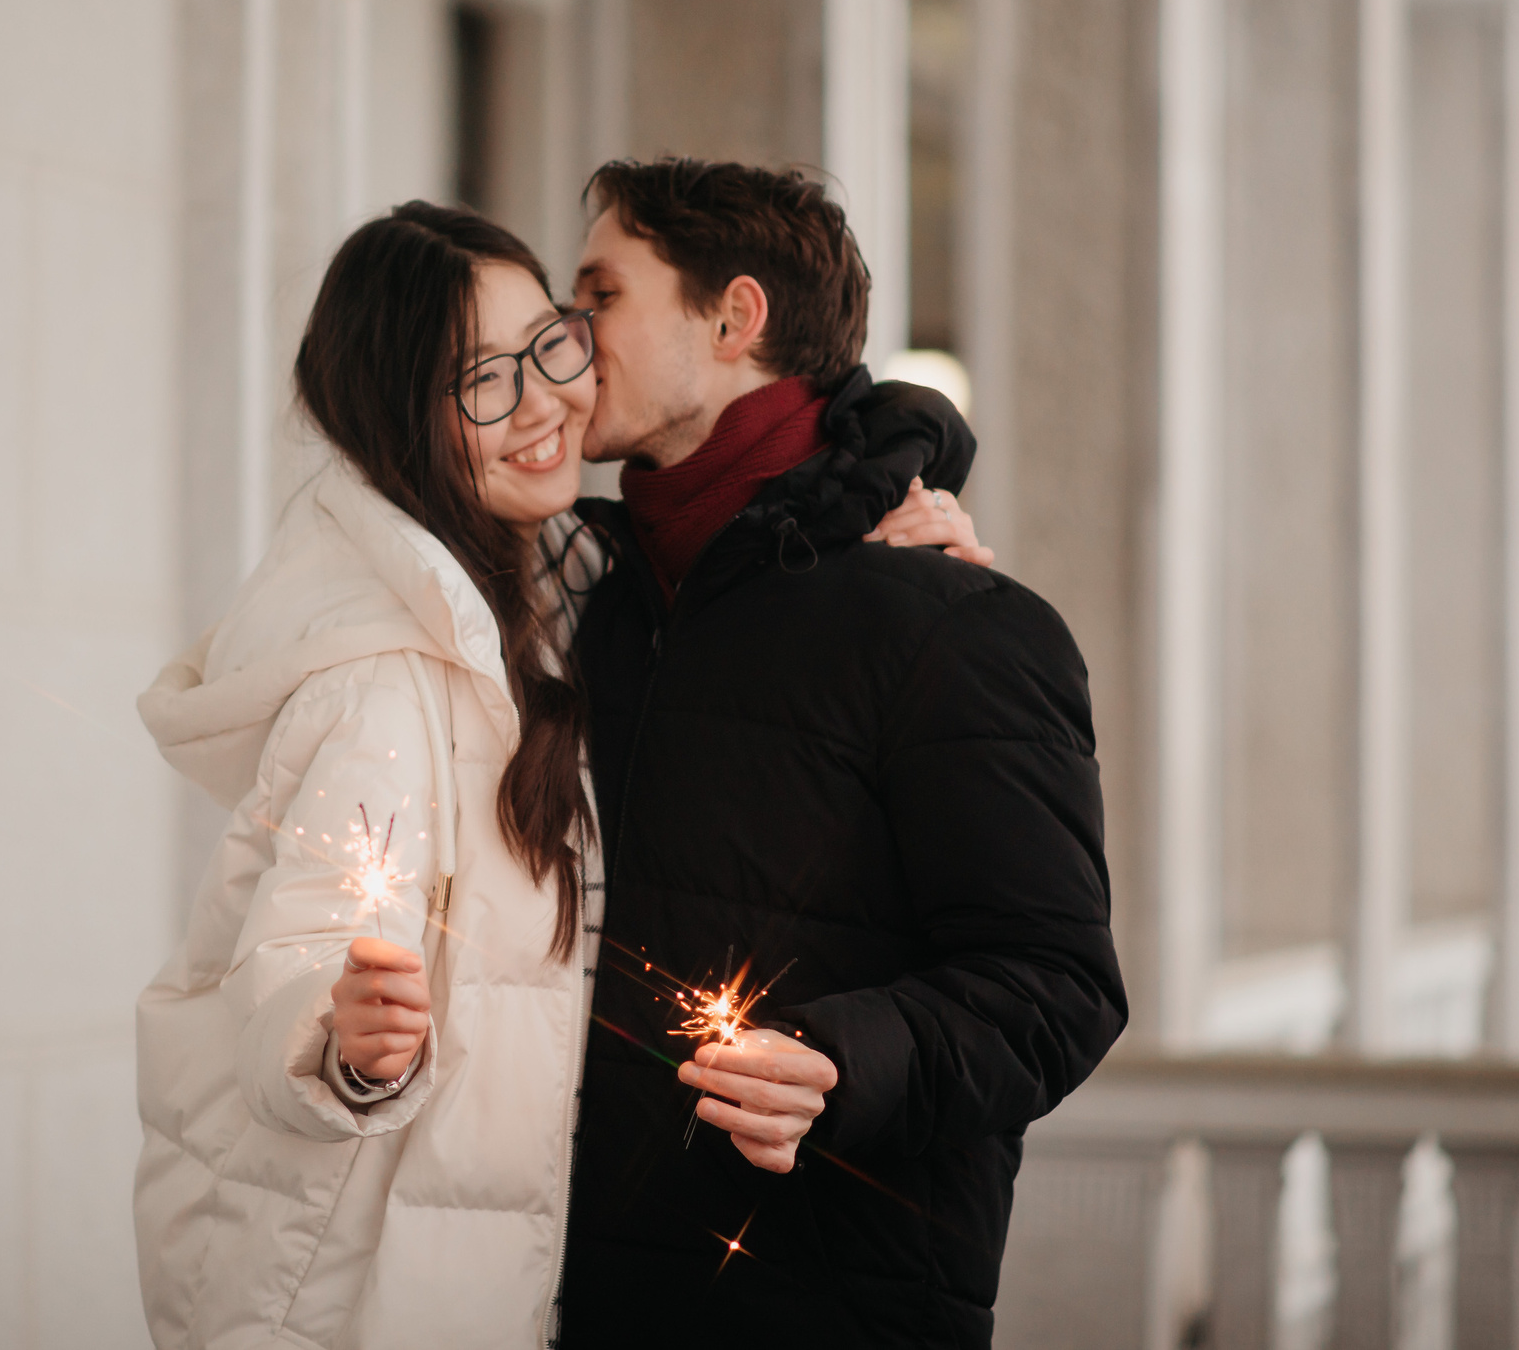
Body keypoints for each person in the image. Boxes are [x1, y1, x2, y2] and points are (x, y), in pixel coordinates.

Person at [133, 203, 983, 1349]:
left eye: (551, 342)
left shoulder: (552, 586)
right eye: (481, 380)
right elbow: (303, 954)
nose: (544, 403)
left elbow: (717, 556)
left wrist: (888, 545)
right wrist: (341, 1039)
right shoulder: (380, 680)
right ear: (397, 424)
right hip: (344, 1290)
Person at [554, 157, 1127, 1347]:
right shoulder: (589, 606)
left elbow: (1056, 988)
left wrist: (834, 1057)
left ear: (734, 315)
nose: (568, 334)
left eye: (601, 292)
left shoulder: (955, 622)